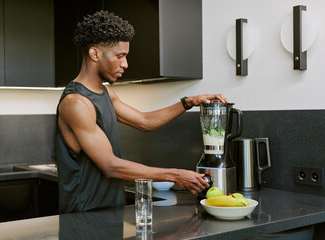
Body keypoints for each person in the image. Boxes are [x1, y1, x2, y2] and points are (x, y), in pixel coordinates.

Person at [55, 10, 229, 213]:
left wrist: (188, 102)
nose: (125, 64)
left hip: (110, 212)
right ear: (95, 54)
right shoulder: (76, 103)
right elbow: (110, 166)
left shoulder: (106, 93)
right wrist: (175, 175)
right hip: (84, 218)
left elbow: (145, 122)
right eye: (120, 56)